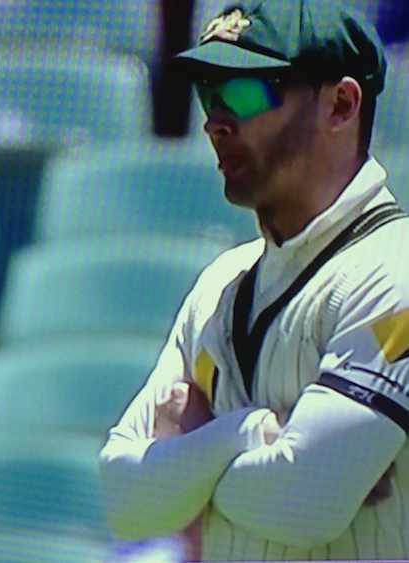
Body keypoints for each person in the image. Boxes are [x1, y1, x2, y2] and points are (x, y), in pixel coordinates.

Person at [99, 1, 409, 560]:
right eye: (208, 94)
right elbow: (125, 501)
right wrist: (246, 434)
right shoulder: (220, 281)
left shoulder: (397, 267)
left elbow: (306, 502)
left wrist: (188, 467)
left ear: (340, 105)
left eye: (245, 92)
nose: (216, 121)